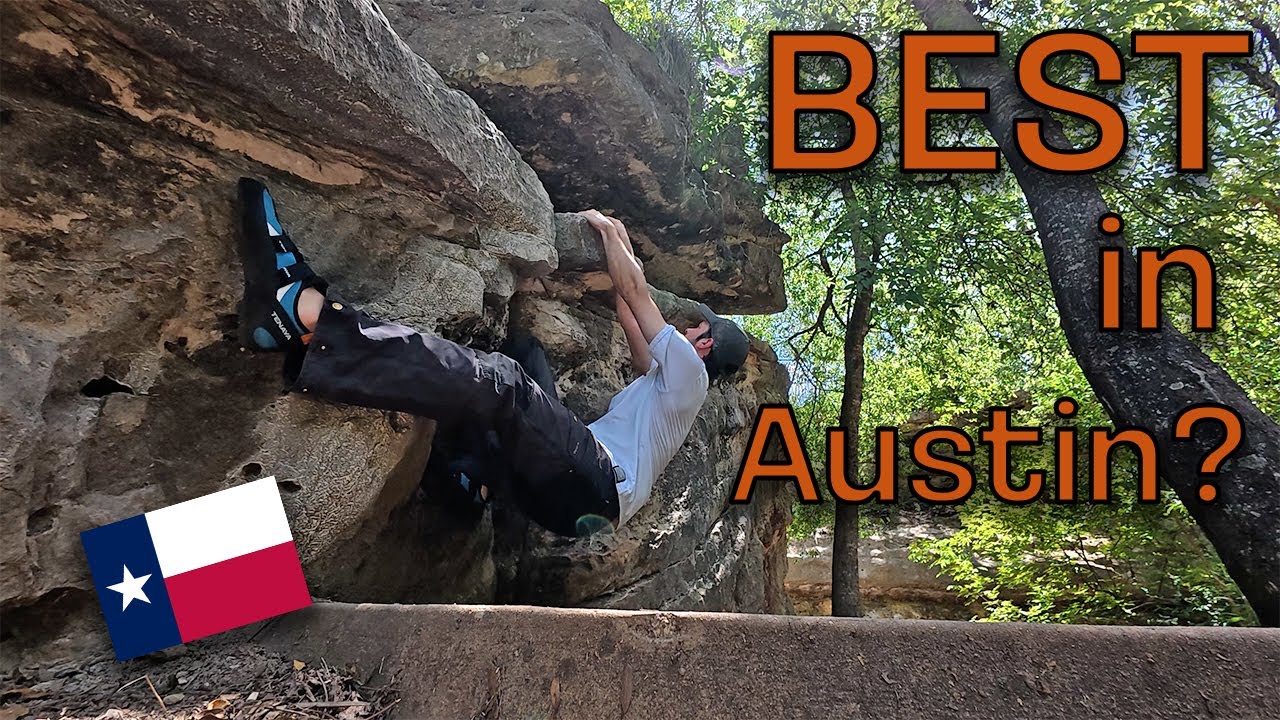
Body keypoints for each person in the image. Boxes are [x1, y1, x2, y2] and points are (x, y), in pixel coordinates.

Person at [235, 178, 750, 536]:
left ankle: (302, 316)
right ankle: (471, 483)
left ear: (704, 344)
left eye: (697, 326)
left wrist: (612, 234)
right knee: (525, 355)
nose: (687, 326)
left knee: (504, 385)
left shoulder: (690, 374)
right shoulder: (669, 388)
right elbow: (627, 311)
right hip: (568, 497)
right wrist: (612, 277)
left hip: (593, 483)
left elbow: (637, 295)